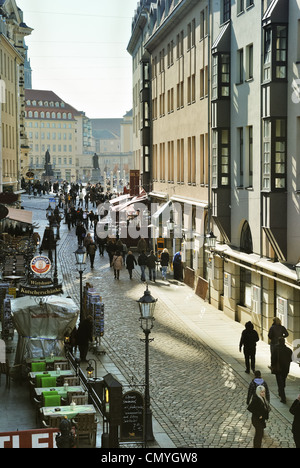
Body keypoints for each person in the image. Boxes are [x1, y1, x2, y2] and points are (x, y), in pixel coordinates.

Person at [271, 337, 293, 403]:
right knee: (283, 381)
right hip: (285, 369)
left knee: (280, 383)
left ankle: (283, 397)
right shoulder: (289, 350)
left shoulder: (276, 349)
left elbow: (273, 359)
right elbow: (291, 359)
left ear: (279, 342)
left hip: (278, 369)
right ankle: (281, 392)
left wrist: (272, 365)